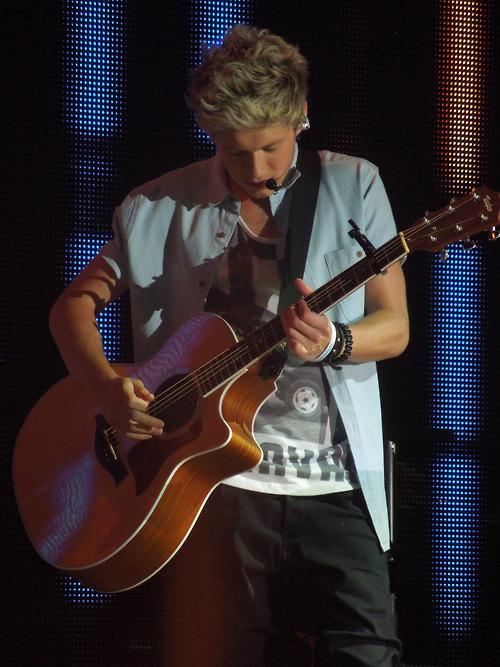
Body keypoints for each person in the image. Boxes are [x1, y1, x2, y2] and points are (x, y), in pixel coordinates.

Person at [49, 25, 409, 667]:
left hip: (333, 481)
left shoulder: (354, 185)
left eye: (270, 147)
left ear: (301, 117)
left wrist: (335, 340)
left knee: (368, 654)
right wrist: (106, 387)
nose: (257, 170)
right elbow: (72, 307)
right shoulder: (156, 205)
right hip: (206, 486)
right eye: (235, 152)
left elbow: (395, 326)